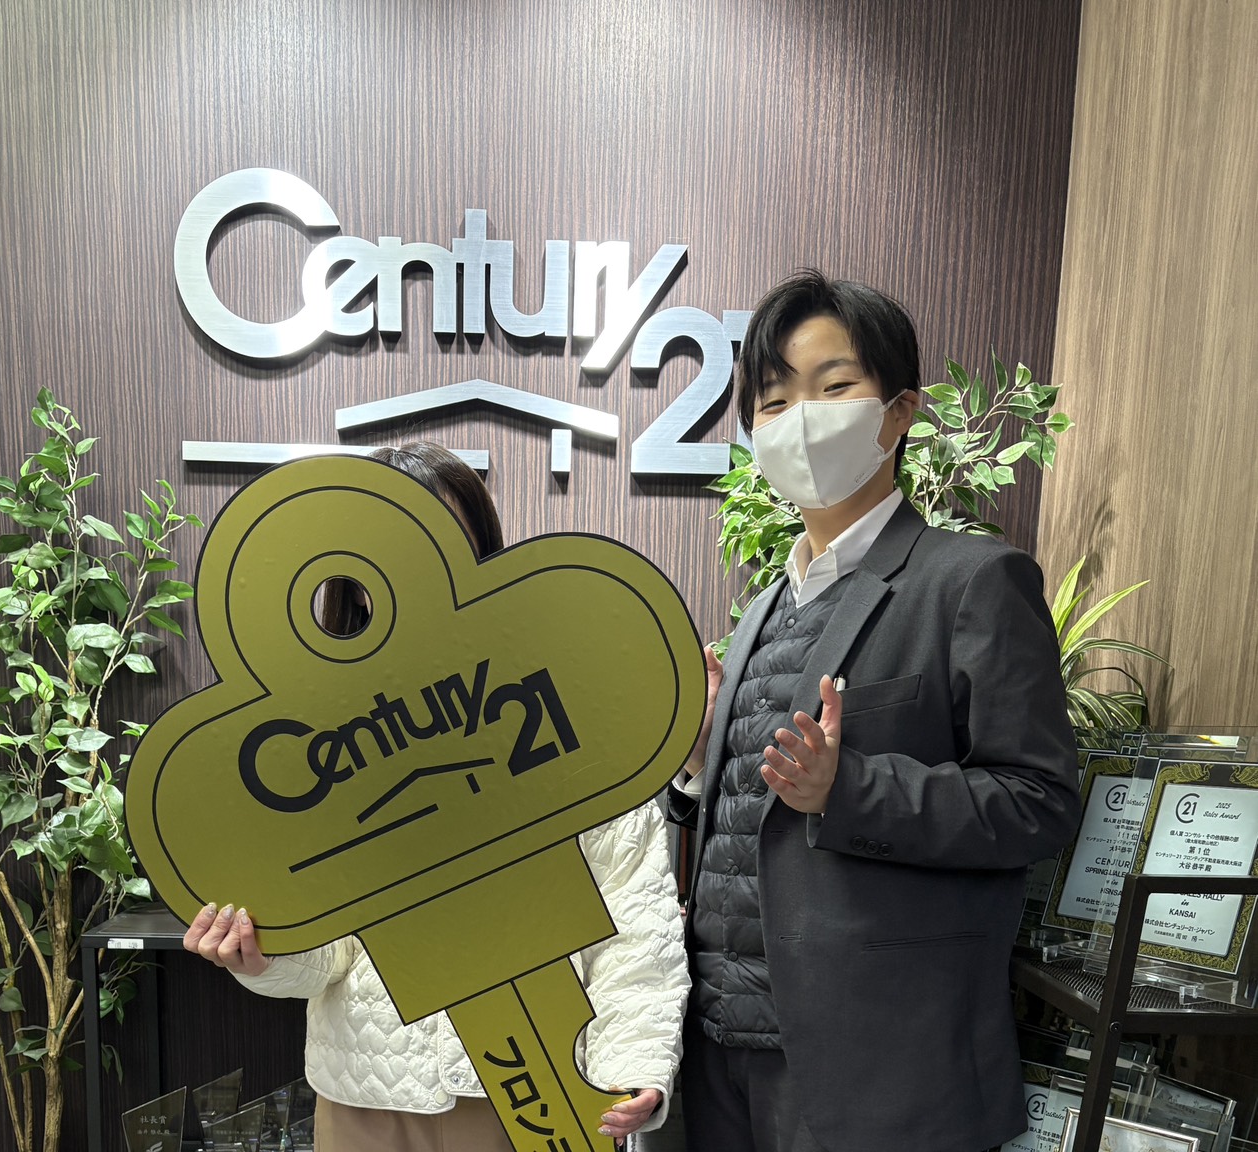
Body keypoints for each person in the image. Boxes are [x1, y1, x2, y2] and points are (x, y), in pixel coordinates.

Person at [668, 272, 1082, 1152]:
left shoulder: (971, 582)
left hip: (876, 1065)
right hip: (720, 1054)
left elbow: (1038, 803)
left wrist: (848, 789)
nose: (798, 419)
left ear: (898, 414)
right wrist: (701, 759)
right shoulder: (763, 608)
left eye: (832, 387)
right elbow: (745, 824)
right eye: (773, 401)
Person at [185, 441, 690, 1152]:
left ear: (482, 550)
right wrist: (261, 957)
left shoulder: (566, 700)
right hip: (365, 1095)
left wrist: (633, 1063)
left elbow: (633, 914)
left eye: (439, 538)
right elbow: (329, 951)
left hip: (536, 1090)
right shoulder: (311, 734)